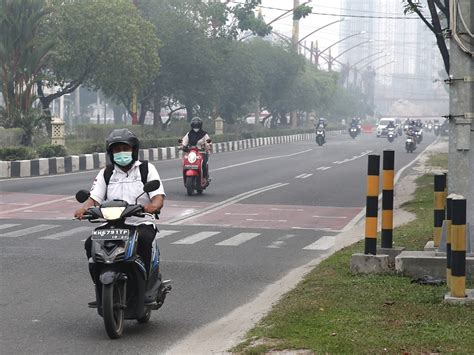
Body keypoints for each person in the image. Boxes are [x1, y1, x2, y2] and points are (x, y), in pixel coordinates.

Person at [74, 128, 166, 283]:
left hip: (140, 221)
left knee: (144, 240)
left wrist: (153, 206)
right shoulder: (107, 173)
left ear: (133, 150)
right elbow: (94, 198)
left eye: (125, 149)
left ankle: (148, 282)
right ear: (111, 153)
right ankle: (99, 284)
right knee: (90, 243)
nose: (121, 153)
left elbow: (158, 196)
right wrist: (83, 208)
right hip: (111, 223)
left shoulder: (146, 169)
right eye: (117, 150)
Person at [180, 117, 212, 181]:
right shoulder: (189, 134)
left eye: (197, 126)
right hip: (191, 152)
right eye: (194, 125)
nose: (196, 127)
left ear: (200, 126)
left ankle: (205, 177)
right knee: (185, 161)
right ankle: (185, 176)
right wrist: (182, 146)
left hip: (201, 152)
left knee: (204, 163)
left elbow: (208, 142)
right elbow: (184, 141)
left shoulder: (204, 134)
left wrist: (207, 146)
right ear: (192, 125)